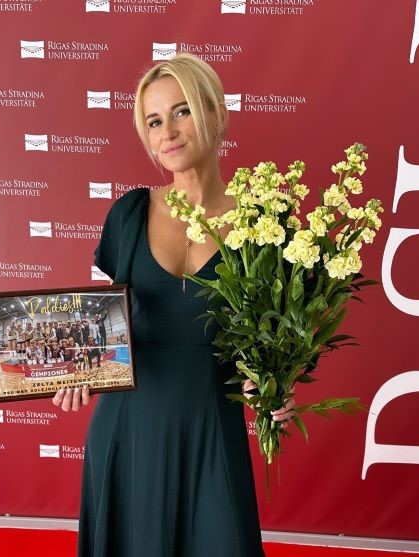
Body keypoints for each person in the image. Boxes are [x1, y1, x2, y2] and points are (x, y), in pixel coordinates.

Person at [53, 54, 295, 557]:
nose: (168, 132)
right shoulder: (129, 213)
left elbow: (271, 339)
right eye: (154, 121)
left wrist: (274, 385)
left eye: (182, 111)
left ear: (216, 113)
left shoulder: (267, 221)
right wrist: (77, 368)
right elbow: (100, 326)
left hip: (211, 427)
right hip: (126, 429)